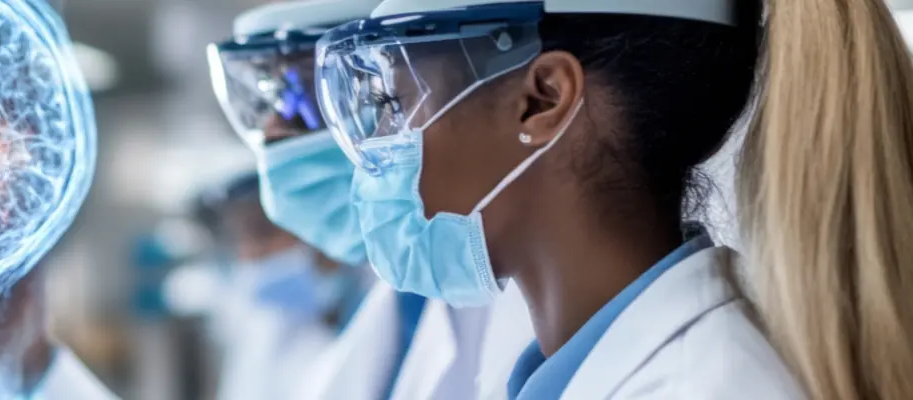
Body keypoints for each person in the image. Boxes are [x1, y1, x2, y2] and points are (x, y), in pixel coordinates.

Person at [314, 0, 913, 398]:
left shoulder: (711, 384)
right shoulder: (560, 371)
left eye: (396, 103)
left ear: (542, 99)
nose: (381, 144)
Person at [209, 0, 534, 398]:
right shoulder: (407, 291)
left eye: (306, 92)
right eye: (275, 97)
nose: (276, 128)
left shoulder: (517, 285)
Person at [196, 173, 368, 400]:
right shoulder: (267, 332)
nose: (248, 255)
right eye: (238, 238)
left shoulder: (392, 315)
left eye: (261, 233)